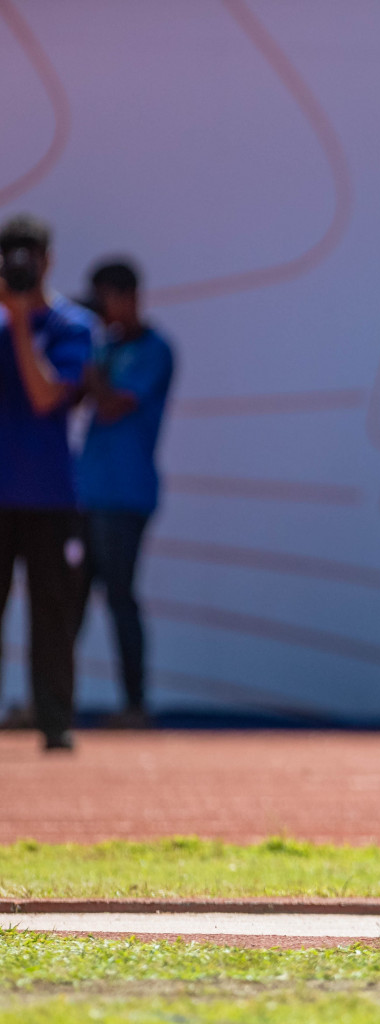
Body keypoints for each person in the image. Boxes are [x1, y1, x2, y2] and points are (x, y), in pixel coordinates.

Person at [0, 214, 94, 751]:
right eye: (10, 254)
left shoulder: (72, 325)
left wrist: (18, 321)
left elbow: (44, 396)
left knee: (52, 613)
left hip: (51, 496)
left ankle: (54, 721)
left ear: (48, 259)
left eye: (28, 254)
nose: (20, 265)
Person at [72, 259, 175, 729]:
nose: (102, 310)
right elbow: (67, 399)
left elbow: (112, 405)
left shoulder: (155, 350)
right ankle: (51, 702)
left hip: (126, 496)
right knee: (66, 601)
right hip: (85, 492)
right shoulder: (100, 347)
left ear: (129, 296)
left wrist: (89, 363)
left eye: (105, 298)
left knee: (118, 597)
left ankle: (135, 705)